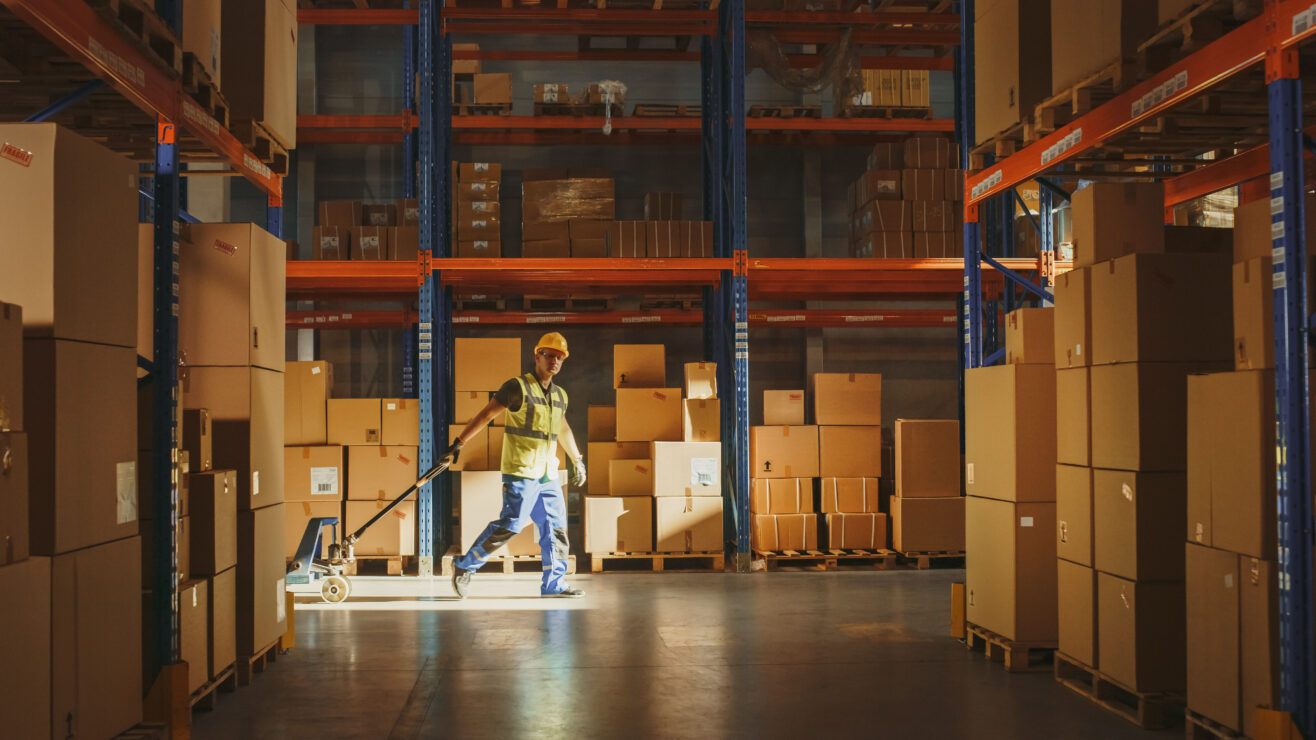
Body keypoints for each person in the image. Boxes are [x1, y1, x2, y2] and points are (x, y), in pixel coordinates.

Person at [444, 332, 587, 598]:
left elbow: (562, 428)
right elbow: (487, 414)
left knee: (556, 528)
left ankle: (554, 584)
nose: (554, 361)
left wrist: (577, 458)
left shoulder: (560, 395)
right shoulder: (517, 387)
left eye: (560, 357)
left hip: (548, 474)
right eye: (550, 355)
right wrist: (460, 441)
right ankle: (465, 565)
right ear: (537, 357)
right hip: (521, 471)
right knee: (511, 524)